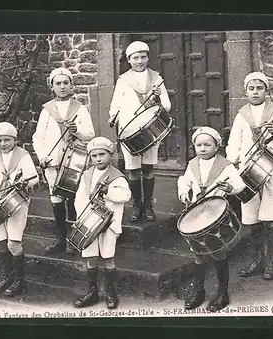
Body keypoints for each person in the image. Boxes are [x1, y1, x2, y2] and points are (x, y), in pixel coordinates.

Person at [226, 71, 273, 281]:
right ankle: (257, 259)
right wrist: (235, 162)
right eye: (251, 88)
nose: (255, 92)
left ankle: (270, 260)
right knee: (251, 216)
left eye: (259, 88)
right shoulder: (242, 114)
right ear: (246, 91)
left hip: (271, 169)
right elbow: (233, 143)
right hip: (248, 170)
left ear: (266, 90)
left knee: (270, 215)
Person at [177, 127, 246, 311]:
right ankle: (199, 291)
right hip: (198, 214)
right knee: (198, 254)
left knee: (218, 252)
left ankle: (223, 293)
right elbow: (183, 181)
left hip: (215, 215)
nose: (203, 148)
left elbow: (239, 185)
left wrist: (230, 188)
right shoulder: (192, 164)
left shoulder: (226, 165)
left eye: (208, 144)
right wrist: (184, 192)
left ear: (217, 146)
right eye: (199, 145)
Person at [32, 67, 95, 253]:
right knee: (56, 199)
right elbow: (38, 138)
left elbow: (90, 134)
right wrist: (43, 156)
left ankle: (73, 240)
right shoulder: (47, 110)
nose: (62, 87)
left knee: (73, 199)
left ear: (72, 85)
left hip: (74, 162)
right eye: (58, 83)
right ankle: (60, 238)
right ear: (52, 87)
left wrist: (77, 131)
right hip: (53, 162)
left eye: (65, 83)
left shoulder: (80, 109)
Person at [108, 41, 171, 223]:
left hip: (150, 129)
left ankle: (149, 206)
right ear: (129, 60)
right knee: (133, 169)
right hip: (130, 129)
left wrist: (158, 97)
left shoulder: (157, 79)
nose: (140, 61)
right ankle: (137, 206)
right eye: (135, 58)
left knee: (148, 167)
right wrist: (113, 116)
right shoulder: (123, 80)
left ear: (148, 58)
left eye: (143, 57)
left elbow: (166, 106)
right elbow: (115, 104)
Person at [0, 122, 39, 297]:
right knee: (1, 241)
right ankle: (7, 277)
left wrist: (25, 182)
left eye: (7, 140)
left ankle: (20, 281)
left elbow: (33, 177)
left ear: (15, 140)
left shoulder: (23, 156)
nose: (3, 144)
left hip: (16, 202)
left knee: (13, 242)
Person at [73, 137, 131, 309]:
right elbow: (80, 197)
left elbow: (124, 196)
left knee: (108, 256)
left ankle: (110, 292)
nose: (98, 158)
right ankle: (93, 292)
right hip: (90, 223)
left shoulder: (117, 176)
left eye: (102, 154)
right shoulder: (87, 174)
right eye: (94, 155)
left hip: (108, 223)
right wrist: (83, 217)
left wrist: (108, 192)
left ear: (110, 155)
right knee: (90, 257)